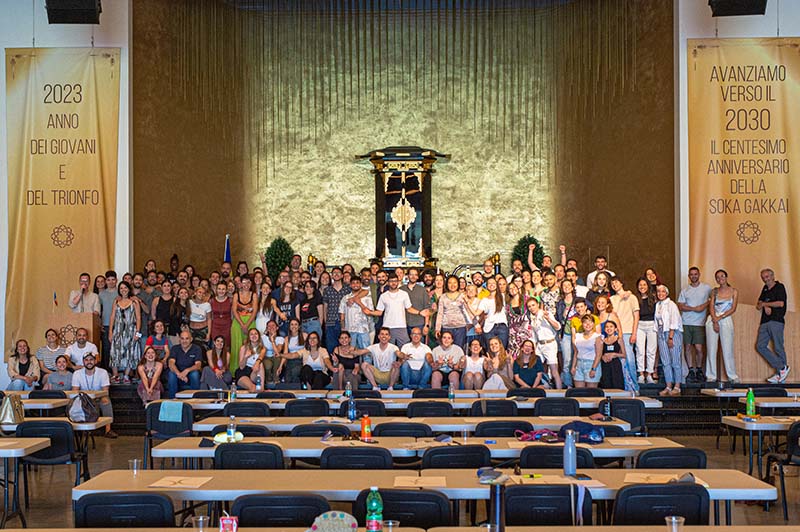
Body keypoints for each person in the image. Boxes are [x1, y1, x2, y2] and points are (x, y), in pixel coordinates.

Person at [366, 274, 429, 347]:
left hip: (401, 326)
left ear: (398, 282)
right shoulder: (383, 296)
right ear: (388, 282)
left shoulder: (404, 294)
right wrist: (369, 312)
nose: (393, 283)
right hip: (387, 327)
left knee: (404, 348)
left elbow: (409, 308)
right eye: (391, 281)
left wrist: (419, 312)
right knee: (388, 349)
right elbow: (379, 312)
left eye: (395, 281)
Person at [677, 267, 712, 383]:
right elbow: (680, 306)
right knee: (687, 347)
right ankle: (691, 370)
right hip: (686, 322)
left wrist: (703, 306)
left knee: (698, 348)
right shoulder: (685, 290)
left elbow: (712, 300)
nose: (693, 276)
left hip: (699, 323)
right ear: (689, 276)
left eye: (695, 274)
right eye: (691, 274)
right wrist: (694, 308)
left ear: (699, 275)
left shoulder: (706, 288)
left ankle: (699, 370)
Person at [705, 269, 739, 384]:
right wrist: (715, 320)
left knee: (727, 348)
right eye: (718, 277)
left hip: (726, 319)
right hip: (712, 319)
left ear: (726, 277)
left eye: (722, 276)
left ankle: (732, 375)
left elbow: (733, 308)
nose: (720, 279)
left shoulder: (734, 291)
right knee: (711, 348)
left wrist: (720, 317)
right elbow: (711, 307)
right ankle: (711, 375)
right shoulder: (714, 291)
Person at [756, 268, 790, 383]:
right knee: (760, 346)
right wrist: (764, 305)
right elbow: (759, 304)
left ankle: (780, 375)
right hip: (764, 322)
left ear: (772, 276)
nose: (765, 279)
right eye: (763, 277)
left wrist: (765, 304)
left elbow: (780, 303)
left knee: (778, 347)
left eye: (767, 276)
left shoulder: (779, 287)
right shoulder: (765, 289)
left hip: (776, 320)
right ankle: (782, 368)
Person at [72, 353, 117, 438]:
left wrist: (102, 397)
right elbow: (75, 391)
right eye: (86, 360)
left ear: (95, 361)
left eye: (91, 360)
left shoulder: (103, 372)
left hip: (99, 397)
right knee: (76, 402)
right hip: (84, 398)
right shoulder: (77, 373)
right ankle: (82, 429)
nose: (89, 362)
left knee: (106, 401)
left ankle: (108, 430)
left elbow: (105, 390)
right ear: (83, 362)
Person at [108, 281, 142, 384]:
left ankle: (126, 375)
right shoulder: (116, 301)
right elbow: (112, 317)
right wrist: (110, 332)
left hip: (131, 331)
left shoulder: (134, 302)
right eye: (121, 288)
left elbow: (138, 318)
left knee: (130, 353)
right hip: (118, 331)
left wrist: (137, 333)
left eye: (125, 288)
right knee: (114, 352)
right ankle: (116, 375)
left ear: (129, 289)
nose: (123, 290)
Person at [610, 277, 640, 390]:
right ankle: (625, 386)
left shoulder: (632, 297)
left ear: (622, 283)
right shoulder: (612, 299)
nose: (614, 285)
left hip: (627, 332)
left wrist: (634, 333)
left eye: (616, 282)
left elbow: (636, 316)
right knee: (619, 361)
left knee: (629, 359)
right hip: (615, 332)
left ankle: (635, 387)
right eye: (612, 283)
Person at [655, 285, 684, 396]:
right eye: (659, 291)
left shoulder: (671, 304)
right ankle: (668, 386)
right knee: (665, 361)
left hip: (672, 333)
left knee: (675, 361)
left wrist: (670, 337)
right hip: (661, 333)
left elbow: (674, 321)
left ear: (667, 293)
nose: (660, 293)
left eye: (663, 291)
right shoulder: (658, 305)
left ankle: (677, 386)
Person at [527, 296, 562, 389]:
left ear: (538, 305)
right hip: (540, 345)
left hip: (549, 344)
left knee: (554, 371)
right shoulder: (532, 318)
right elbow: (534, 336)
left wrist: (548, 319)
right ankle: (543, 387)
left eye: (533, 305)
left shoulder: (546, 313)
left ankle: (560, 393)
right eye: (529, 306)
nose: (531, 308)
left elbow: (558, 327)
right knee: (536, 368)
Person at [434, 275, 471, 350]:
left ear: (458, 284)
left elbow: (468, 311)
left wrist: (470, 324)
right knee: (446, 349)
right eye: (450, 283)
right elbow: (440, 313)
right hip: (446, 327)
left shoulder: (463, 296)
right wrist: (437, 328)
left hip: (460, 327)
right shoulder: (443, 297)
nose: (452, 285)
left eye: (454, 283)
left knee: (459, 349)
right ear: (447, 284)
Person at [633, 277, 658, 384]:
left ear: (648, 286)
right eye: (640, 285)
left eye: (644, 285)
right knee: (640, 350)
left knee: (651, 351)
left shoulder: (653, 298)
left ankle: (649, 374)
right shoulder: (635, 298)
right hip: (640, 325)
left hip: (652, 325)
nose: (642, 287)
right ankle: (641, 374)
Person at [556, 280, 579, 388]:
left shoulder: (578, 300)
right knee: (567, 361)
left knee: (578, 359)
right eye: (564, 285)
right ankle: (568, 385)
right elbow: (558, 318)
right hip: (566, 334)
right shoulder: (560, 303)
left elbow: (590, 308)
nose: (566, 287)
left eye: (568, 285)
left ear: (572, 287)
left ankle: (578, 383)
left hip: (579, 333)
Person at [231, 275, 257, 372]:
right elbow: (234, 310)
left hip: (250, 321)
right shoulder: (236, 295)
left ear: (251, 284)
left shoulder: (254, 295)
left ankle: (249, 371)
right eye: (244, 282)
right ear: (240, 284)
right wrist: (242, 325)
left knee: (249, 346)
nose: (246, 285)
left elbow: (255, 311)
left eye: (248, 282)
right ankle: (235, 371)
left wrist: (247, 325)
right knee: (237, 347)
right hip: (238, 322)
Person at [322, 267, 352, 353]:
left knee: (345, 346)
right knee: (331, 347)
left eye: (338, 272)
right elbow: (325, 307)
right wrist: (325, 322)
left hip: (344, 322)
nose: (336, 274)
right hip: (330, 322)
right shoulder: (327, 290)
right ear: (331, 276)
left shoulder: (348, 289)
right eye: (334, 273)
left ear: (342, 275)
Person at [339, 277, 374, 350]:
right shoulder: (345, 298)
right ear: (350, 285)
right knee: (351, 351)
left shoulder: (367, 298)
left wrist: (359, 302)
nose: (355, 285)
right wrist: (343, 328)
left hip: (364, 329)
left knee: (366, 351)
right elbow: (342, 315)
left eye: (357, 283)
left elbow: (370, 312)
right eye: (353, 283)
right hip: (350, 329)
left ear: (361, 284)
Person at [476, 277, 509, 348]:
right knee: (490, 350)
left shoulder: (502, 296)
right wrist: (467, 304)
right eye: (489, 283)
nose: (491, 285)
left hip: (502, 326)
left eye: (493, 283)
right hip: (489, 327)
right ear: (486, 286)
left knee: (502, 350)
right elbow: (477, 313)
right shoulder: (484, 300)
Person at [167, 331, 203, 398]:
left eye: (187, 338)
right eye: (182, 338)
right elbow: (171, 363)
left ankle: (195, 399)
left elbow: (198, 365)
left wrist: (187, 370)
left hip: (190, 373)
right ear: (179, 339)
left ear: (191, 339)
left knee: (195, 374)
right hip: (178, 373)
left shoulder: (196, 349)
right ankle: (173, 399)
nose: (184, 341)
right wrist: (179, 374)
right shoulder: (175, 348)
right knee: (171, 374)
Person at [571, 314, 602, 388]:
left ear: (593, 324)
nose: (588, 324)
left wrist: (594, 369)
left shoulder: (597, 336)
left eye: (590, 322)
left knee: (591, 392)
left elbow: (599, 355)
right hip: (579, 364)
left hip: (591, 364)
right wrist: (573, 366)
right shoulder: (578, 336)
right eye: (585, 322)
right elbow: (576, 352)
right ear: (582, 324)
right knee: (579, 392)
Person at [402, 268, 432, 341]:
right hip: (404, 324)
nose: (413, 276)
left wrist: (426, 325)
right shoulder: (401, 290)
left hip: (419, 323)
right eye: (411, 274)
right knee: (406, 346)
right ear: (407, 276)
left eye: (415, 275)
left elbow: (427, 308)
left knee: (419, 345)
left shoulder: (422, 290)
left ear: (418, 277)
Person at [598, 321, 626, 389]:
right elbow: (599, 354)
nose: (609, 328)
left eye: (611, 326)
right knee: (606, 384)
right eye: (607, 327)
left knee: (617, 384)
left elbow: (624, 355)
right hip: (605, 365)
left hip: (615, 366)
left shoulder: (619, 340)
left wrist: (614, 354)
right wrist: (602, 357)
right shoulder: (602, 341)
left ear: (615, 329)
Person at [209, 282, 233, 349]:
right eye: (219, 289)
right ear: (216, 290)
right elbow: (210, 316)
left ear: (226, 290)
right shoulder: (211, 301)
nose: (221, 291)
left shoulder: (230, 300)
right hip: (215, 327)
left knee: (226, 347)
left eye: (223, 289)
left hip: (227, 327)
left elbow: (232, 315)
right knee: (215, 347)